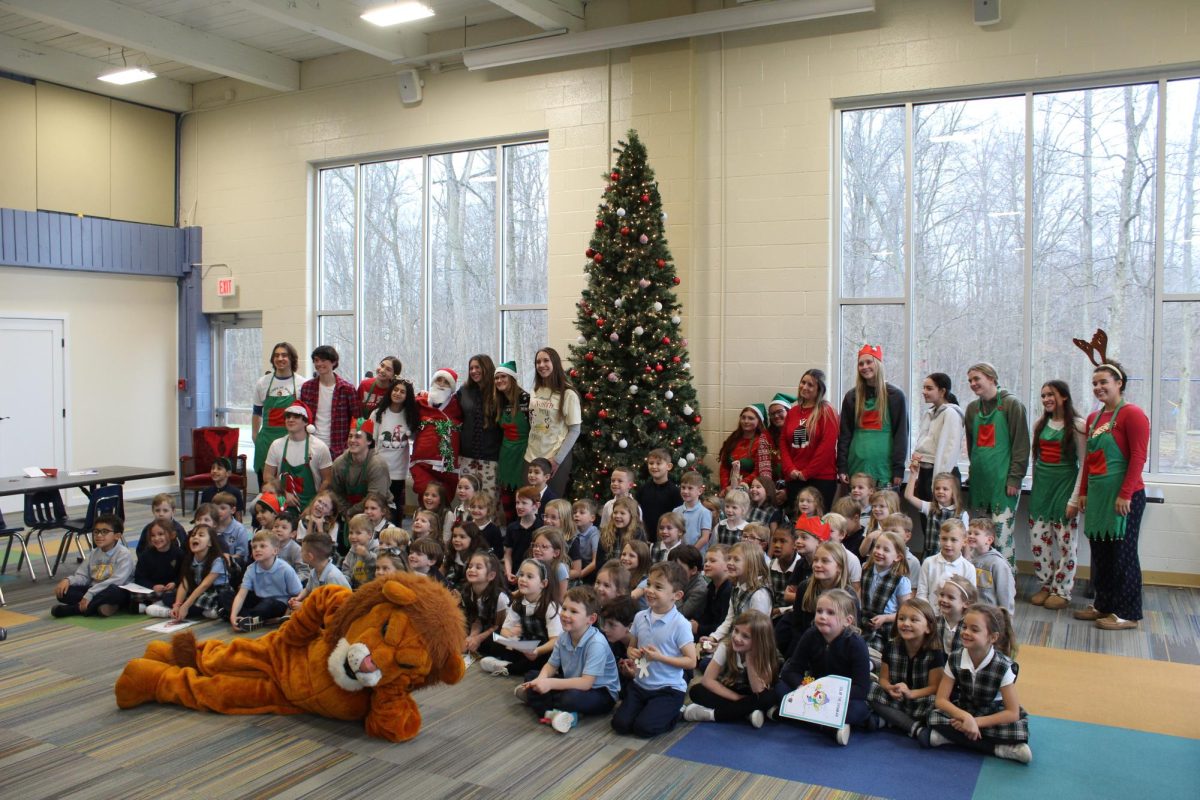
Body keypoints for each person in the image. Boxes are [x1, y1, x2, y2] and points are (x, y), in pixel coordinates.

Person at [1073, 348, 1150, 631]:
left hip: (1124, 498)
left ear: (1119, 383)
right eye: (1095, 383)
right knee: (1101, 553)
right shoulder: (1094, 419)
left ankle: (1128, 613)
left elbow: (1138, 458)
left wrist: (1125, 494)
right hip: (1098, 497)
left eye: (1104, 381)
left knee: (1123, 554)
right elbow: (1090, 460)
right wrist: (1083, 492)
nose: (1098, 387)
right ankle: (1103, 604)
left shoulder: (1133, 415)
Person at [922, 604, 1031, 764]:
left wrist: (975, 723)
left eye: (974, 629)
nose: (966, 632)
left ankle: (959, 740)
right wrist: (966, 717)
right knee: (933, 716)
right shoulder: (955, 658)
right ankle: (995, 747)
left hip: (992, 715)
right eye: (964, 627)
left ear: (992, 637)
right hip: (965, 709)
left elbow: (1012, 713)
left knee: (1017, 728)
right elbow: (941, 700)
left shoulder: (1003, 666)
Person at [611, 561, 698, 738]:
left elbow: (691, 662)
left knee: (644, 729)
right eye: (649, 584)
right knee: (620, 725)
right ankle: (650, 708)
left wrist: (660, 658)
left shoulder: (680, 624)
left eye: (658, 587)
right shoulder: (640, 616)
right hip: (640, 684)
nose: (650, 590)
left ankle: (676, 711)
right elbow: (631, 647)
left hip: (668, 688)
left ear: (677, 595)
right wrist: (631, 654)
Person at [516, 585, 620, 733]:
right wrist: (540, 680)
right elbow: (551, 665)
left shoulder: (596, 643)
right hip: (574, 682)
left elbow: (586, 683)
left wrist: (549, 683)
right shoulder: (564, 637)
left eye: (574, 611)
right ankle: (556, 714)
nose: (565, 614)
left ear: (590, 619)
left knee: (569, 698)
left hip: (601, 693)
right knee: (532, 675)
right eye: (564, 608)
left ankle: (543, 704)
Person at [778, 588, 872, 745]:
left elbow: (862, 689)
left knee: (859, 709)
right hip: (813, 691)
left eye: (830, 613)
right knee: (779, 688)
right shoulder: (811, 635)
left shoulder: (856, 644)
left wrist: (830, 693)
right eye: (819, 611)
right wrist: (804, 686)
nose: (822, 616)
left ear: (847, 621)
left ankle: (805, 719)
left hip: (840, 697)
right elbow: (791, 670)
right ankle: (830, 726)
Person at [963, 362, 1030, 567]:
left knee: (1001, 537)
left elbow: (1021, 445)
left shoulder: (1012, 405)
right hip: (981, 484)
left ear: (992, 378)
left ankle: (1006, 582)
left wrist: (1015, 478)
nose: (973, 384)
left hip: (1004, 484)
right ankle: (982, 583)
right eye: (970, 381)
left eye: (977, 379)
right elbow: (971, 445)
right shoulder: (973, 409)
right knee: (979, 537)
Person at [1028, 380, 1086, 610]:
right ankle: (1045, 584)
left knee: (1066, 545)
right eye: (1042, 396)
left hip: (1065, 490)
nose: (1046, 399)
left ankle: (1062, 590)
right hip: (1042, 491)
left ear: (1063, 396)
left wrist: (1075, 498)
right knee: (1038, 542)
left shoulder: (1078, 426)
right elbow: (1036, 460)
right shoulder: (1040, 424)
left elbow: (1084, 465)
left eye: (1050, 394)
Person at [683, 609, 779, 727]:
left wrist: (750, 657)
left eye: (745, 636)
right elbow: (707, 680)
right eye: (736, 631)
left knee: (768, 697)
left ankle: (712, 715)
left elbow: (759, 690)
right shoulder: (726, 647)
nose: (737, 638)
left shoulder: (764, 654)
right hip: (735, 690)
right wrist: (738, 699)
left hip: (754, 693)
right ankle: (748, 712)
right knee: (696, 691)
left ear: (758, 641)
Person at [868, 598, 945, 739]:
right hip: (896, 698)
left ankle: (892, 720)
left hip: (921, 699)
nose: (906, 624)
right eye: (901, 618)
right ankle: (913, 727)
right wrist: (890, 688)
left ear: (928, 627)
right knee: (870, 689)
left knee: (937, 704)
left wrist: (911, 694)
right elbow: (883, 679)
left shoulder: (935, 653)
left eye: (914, 620)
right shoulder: (891, 647)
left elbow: (935, 687)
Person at [837, 344, 908, 490]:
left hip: (885, 470)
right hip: (856, 467)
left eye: (869, 362)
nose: (864, 367)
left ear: (879, 364)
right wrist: (842, 466)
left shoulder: (895, 396)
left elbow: (901, 435)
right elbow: (845, 435)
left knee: (884, 511)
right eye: (861, 363)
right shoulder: (851, 397)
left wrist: (898, 468)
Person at [481, 558, 562, 675]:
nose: (523, 579)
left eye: (529, 577)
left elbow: (556, 640)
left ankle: (507, 667)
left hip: (543, 648)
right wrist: (511, 636)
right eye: (521, 575)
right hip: (526, 644)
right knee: (493, 638)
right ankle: (511, 662)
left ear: (543, 584)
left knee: (542, 661)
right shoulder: (518, 602)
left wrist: (537, 651)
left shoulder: (550, 605)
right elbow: (505, 629)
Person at [51, 513, 133, 618]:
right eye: (96, 531)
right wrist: (68, 580)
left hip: (115, 590)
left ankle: (75, 609)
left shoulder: (124, 554)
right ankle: (103, 607)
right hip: (94, 589)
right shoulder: (93, 553)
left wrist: (90, 594)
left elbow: (117, 580)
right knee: (64, 592)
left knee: (114, 592)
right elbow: (83, 576)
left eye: (105, 532)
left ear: (117, 536)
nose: (99, 535)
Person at [780, 369, 840, 512]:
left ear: (819, 389)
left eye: (810, 385)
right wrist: (790, 469)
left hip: (820, 478)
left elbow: (826, 447)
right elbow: (783, 443)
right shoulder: (793, 412)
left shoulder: (827, 411)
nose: (805, 387)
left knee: (817, 525)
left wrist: (807, 472)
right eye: (803, 382)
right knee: (798, 524)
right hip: (795, 478)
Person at [525, 347, 581, 498]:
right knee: (530, 503)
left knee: (551, 507)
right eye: (538, 362)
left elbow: (575, 430)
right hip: (532, 456)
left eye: (546, 360)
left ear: (555, 363)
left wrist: (557, 460)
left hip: (554, 459)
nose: (541, 365)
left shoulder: (568, 394)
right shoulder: (535, 391)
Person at [910, 372, 965, 517]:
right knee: (927, 523)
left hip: (941, 474)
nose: (924, 392)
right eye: (923, 388)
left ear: (942, 391)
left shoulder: (951, 414)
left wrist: (938, 483)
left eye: (929, 388)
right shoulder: (929, 413)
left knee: (942, 523)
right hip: (925, 473)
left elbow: (948, 451)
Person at [262, 402, 333, 512]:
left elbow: (327, 480)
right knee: (255, 506)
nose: (290, 419)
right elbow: (267, 475)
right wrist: (284, 494)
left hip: (312, 502)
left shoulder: (319, 447)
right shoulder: (277, 445)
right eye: (288, 417)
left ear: (305, 421)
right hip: (282, 499)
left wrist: (313, 505)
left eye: (296, 417)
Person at [252, 342, 305, 487]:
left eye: (284, 355)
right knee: (265, 487)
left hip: (291, 440)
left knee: (289, 484)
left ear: (292, 359)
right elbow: (256, 412)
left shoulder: (302, 383)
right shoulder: (262, 383)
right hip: (266, 441)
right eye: (276, 355)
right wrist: (255, 436)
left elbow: (305, 416)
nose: (280, 358)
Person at [229, 531, 301, 630]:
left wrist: (286, 614)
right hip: (260, 600)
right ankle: (248, 619)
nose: (257, 549)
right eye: (254, 547)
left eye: (262, 546)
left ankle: (248, 618)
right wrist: (233, 615)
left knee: (266, 605)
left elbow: (298, 595)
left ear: (275, 551)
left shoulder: (285, 569)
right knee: (226, 595)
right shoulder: (251, 568)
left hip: (279, 604)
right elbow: (241, 595)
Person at [410, 368, 464, 499]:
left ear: (451, 388)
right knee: (426, 494)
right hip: (422, 462)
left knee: (444, 499)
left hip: (448, 466)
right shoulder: (420, 402)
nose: (441, 383)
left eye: (446, 382)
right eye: (439, 379)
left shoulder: (457, 405)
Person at [300, 345, 357, 459]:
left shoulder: (347, 389)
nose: (319, 364)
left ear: (334, 362)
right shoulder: (307, 387)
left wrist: (350, 444)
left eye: (323, 360)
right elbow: (302, 415)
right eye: (316, 360)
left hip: (339, 448)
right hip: (311, 444)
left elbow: (356, 418)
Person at [162, 525, 229, 620]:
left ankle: (169, 612)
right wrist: (177, 605)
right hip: (198, 593)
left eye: (201, 535)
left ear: (210, 543)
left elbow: (204, 585)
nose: (195, 537)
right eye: (193, 535)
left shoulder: (218, 560)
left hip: (216, 593)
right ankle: (180, 611)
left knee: (200, 601)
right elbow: (184, 584)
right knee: (168, 596)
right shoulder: (190, 559)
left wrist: (185, 606)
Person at [373, 378, 417, 524]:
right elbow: (370, 442)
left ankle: (395, 539)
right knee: (377, 506)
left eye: (402, 392)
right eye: (395, 390)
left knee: (395, 508)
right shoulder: (378, 414)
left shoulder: (410, 416)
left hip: (398, 471)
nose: (398, 393)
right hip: (379, 469)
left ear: (407, 396)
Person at [860, 530, 913, 651]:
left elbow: (905, 612)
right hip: (864, 624)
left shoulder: (901, 581)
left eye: (886, 550)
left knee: (872, 655)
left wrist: (885, 618)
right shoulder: (865, 569)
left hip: (885, 630)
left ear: (898, 557)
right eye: (877, 547)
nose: (879, 552)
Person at [329, 418, 392, 519]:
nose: (352, 440)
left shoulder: (377, 465)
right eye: (350, 436)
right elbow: (335, 492)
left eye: (358, 437)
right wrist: (345, 512)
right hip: (347, 511)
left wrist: (351, 512)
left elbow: (375, 498)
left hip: (377, 511)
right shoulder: (339, 463)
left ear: (369, 441)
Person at [458, 354, 502, 495]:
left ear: (487, 368)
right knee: (467, 497)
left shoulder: (498, 391)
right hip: (466, 456)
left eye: (478, 367)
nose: (474, 371)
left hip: (490, 456)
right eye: (471, 368)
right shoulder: (463, 391)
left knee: (488, 499)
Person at [904, 470, 969, 561]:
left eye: (945, 489)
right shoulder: (930, 507)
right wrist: (913, 474)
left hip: (951, 560)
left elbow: (966, 540)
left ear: (953, 492)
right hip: (930, 559)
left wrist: (966, 561)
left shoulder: (962, 514)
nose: (940, 491)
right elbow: (908, 496)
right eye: (937, 488)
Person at [494, 360, 530, 519]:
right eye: (497, 378)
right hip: (506, 456)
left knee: (522, 500)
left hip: (523, 456)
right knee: (507, 500)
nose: (499, 381)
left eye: (503, 377)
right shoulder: (500, 401)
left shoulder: (526, 399)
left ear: (512, 379)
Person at [916, 519, 976, 607]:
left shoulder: (968, 568)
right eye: (944, 539)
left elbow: (970, 599)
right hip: (931, 616)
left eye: (953, 540)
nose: (948, 544)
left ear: (964, 542)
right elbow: (921, 594)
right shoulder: (929, 563)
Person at [717, 404, 772, 492]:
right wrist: (725, 487)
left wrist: (738, 486)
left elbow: (758, 471)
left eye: (751, 418)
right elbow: (724, 467)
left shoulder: (761, 442)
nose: (746, 421)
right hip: (729, 489)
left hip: (750, 490)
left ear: (759, 422)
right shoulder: (733, 439)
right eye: (743, 417)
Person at [131, 521, 182, 613]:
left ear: (172, 535)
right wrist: (152, 586)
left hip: (172, 590)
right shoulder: (145, 556)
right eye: (153, 535)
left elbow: (183, 574)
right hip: (153, 590)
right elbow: (139, 578)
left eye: (161, 534)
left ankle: (157, 604)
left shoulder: (179, 554)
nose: (156, 538)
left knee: (177, 594)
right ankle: (158, 603)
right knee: (132, 595)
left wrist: (175, 583)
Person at [637, 448, 683, 543]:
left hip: (666, 538)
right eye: (651, 463)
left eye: (658, 463)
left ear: (668, 466)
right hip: (645, 538)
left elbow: (677, 518)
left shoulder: (675, 492)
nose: (654, 466)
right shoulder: (643, 489)